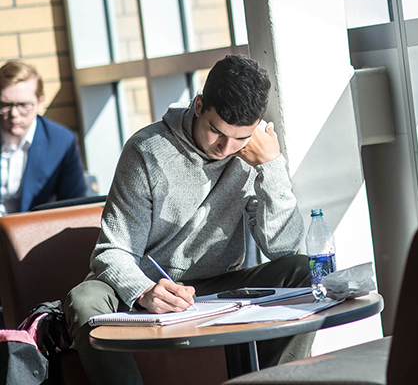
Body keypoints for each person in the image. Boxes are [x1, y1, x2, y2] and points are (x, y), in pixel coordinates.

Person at [64, 55, 312, 385]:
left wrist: (271, 167)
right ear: (198, 106)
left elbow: (286, 249)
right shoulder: (147, 150)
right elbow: (113, 251)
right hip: (149, 288)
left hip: (217, 287)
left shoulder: (251, 154)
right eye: (216, 132)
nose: (225, 148)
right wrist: (144, 290)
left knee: (304, 271)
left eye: (240, 138)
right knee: (85, 299)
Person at [0, 60, 88, 214]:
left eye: (23, 105)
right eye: (5, 105)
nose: (14, 114)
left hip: (33, 231)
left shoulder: (61, 142)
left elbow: (75, 204)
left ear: (40, 102)